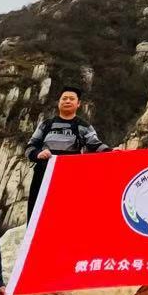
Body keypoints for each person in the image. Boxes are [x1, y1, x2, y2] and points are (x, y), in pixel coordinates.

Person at [25, 86, 109, 220]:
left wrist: (111, 152)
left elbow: (95, 145)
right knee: (37, 212)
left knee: (67, 215)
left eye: (71, 99)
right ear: (59, 102)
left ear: (78, 104)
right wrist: (38, 154)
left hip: (70, 176)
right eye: (64, 98)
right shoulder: (46, 124)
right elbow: (30, 147)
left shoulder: (83, 126)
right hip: (43, 174)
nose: (67, 101)